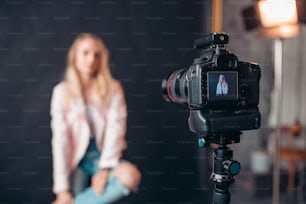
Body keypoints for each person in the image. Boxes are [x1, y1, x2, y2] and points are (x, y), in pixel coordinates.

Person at [50, 33, 141, 204]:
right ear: (74, 56)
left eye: (96, 55)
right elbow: (60, 141)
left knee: (130, 176)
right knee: (75, 194)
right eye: (85, 53)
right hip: (76, 160)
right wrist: (62, 189)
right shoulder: (61, 92)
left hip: (103, 155)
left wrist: (105, 168)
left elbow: (116, 128)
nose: (91, 59)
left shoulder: (113, 89)